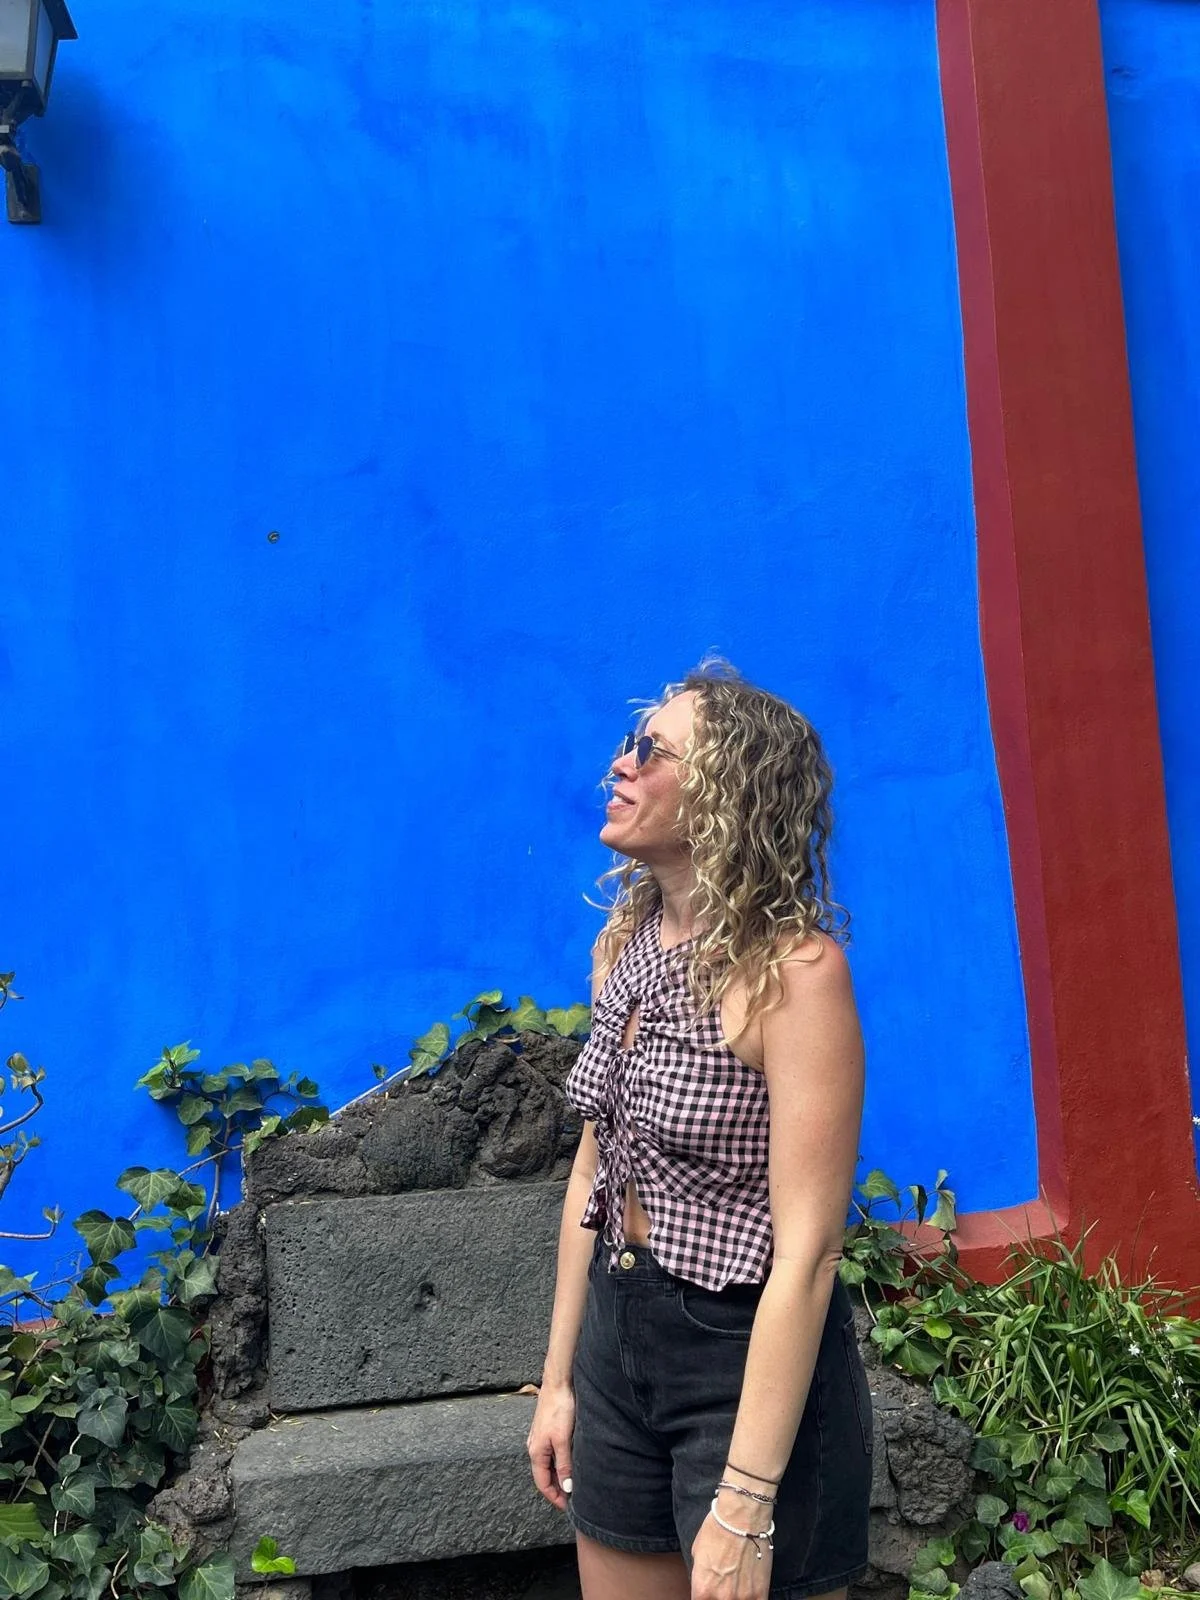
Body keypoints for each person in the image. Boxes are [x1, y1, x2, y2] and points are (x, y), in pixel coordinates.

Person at [527, 659, 872, 1600]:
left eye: (652, 750)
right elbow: (594, 1176)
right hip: (618, 1337)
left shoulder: (793, 977)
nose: (621, 762)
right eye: (629, 743)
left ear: (726, 794)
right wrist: (558, 1383)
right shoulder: (625, 947)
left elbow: (808, 1254)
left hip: (743, 1360)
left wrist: (749, 1499)